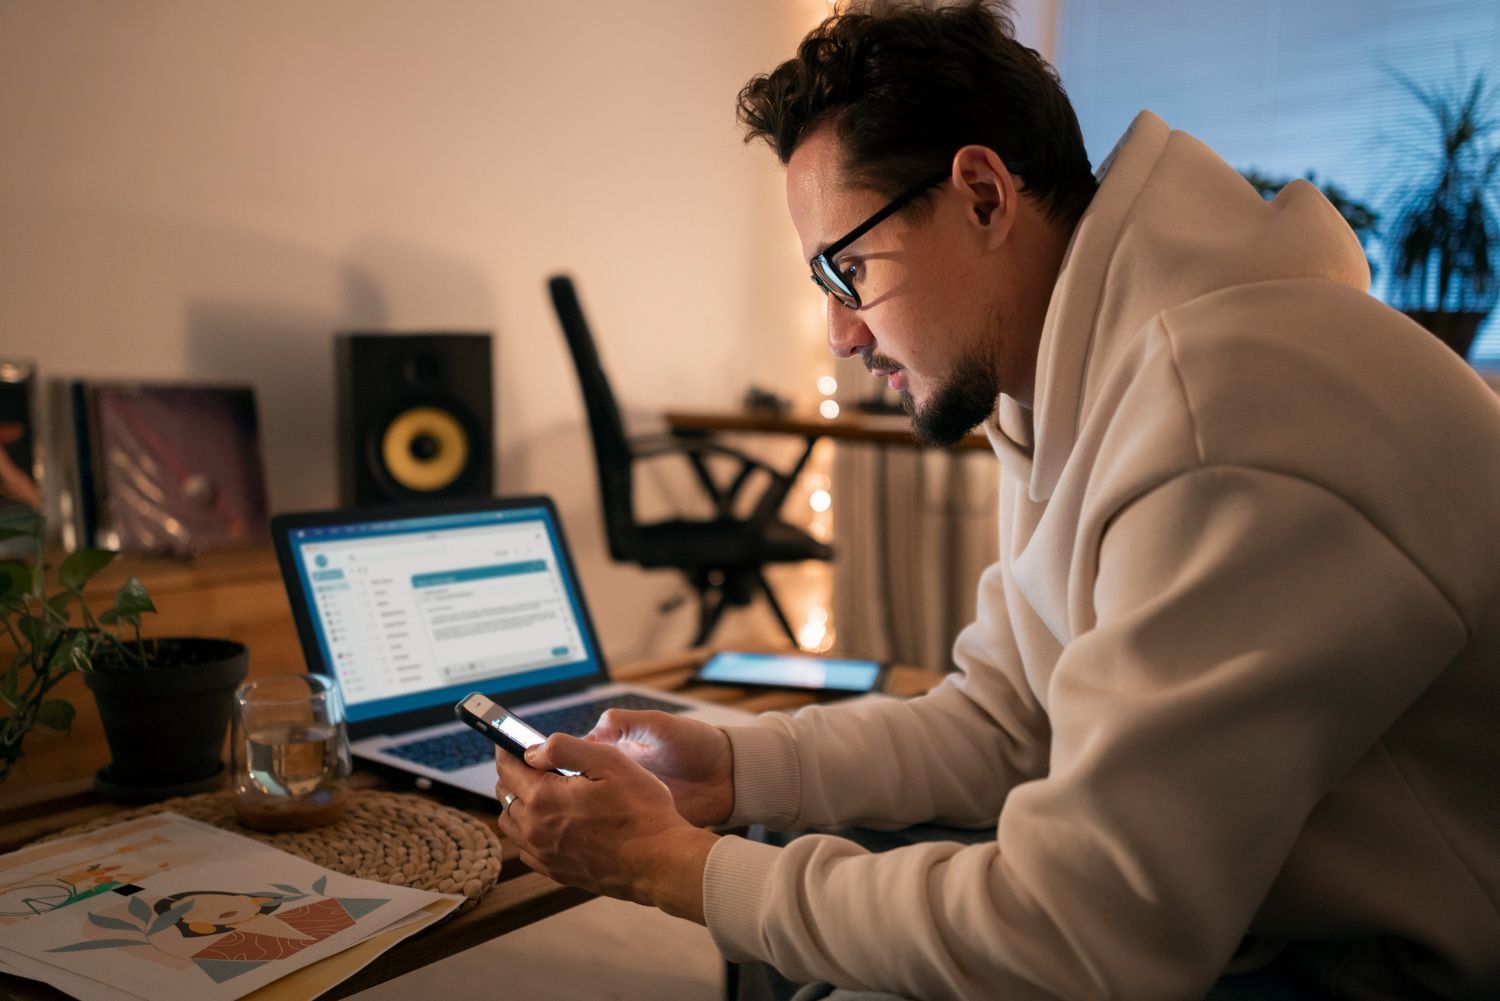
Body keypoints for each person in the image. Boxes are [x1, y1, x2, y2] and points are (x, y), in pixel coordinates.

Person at [493, 2, 1500, 998]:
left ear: (982, 194)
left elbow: (1090, 936)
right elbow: (1008, 718)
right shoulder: (1076, 378)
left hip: (1379, 963)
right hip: (1255, 906)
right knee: (795, 848)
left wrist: (675, 865)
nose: (840, 333)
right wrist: (731, 762)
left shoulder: (1223, 417)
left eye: (848, 269)